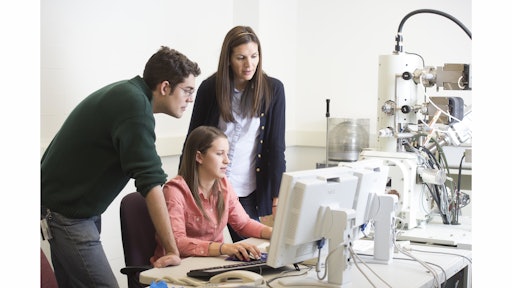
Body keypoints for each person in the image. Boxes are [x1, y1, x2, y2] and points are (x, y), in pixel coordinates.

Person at [40, 46, 201, 287]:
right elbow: (150, 183)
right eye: (187, 90)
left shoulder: (130, 96)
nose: (191, 98)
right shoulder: (134, 105)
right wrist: (171, 249)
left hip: (73, 209)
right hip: (67, 214)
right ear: (165, 87)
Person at [183, 26, 286, 242]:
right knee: (202, 252)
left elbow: (276, 147)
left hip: (244, 190)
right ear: (228, 59)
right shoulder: (210, 88)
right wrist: (184, 188)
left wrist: (277, 197)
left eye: (254, 56)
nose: (249, 64)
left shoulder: (273, 89)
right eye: (241, 57)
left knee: (252, 253)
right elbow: (193, 141)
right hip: (207, 189)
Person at [152, 126, 272, 262]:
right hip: (179, 266)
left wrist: (274, 233)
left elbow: (243, 224)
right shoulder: (175, 190)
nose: (227, 160)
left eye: (227, 153)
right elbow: (177, 242)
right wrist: (224, 248)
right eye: (220, 154)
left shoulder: (224, 184)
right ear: (199, 157)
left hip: (210, 263)